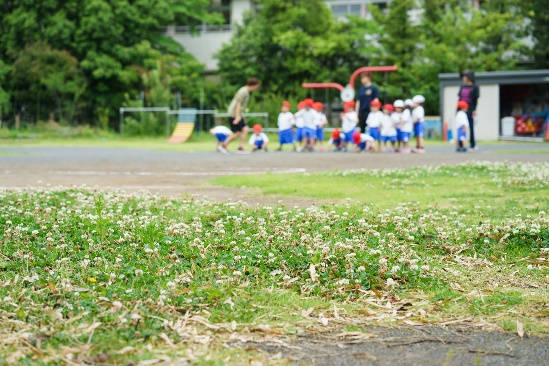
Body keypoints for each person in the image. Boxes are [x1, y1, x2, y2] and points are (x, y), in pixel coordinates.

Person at [224, 77, 260, 151]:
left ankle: (239, 146)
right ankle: (225, 145)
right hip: (233, 114)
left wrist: (241, 115)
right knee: (239, 132)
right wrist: (237, 116)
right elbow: (238, 104)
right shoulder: (244, 91)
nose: (257, 88)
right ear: (253, 85)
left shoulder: (245, 91)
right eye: (256, 86)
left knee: (243, 130)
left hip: (236, 114)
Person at [458, 69, 480, 151]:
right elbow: (459, 99)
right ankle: (461, 145)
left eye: (465, 76)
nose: (463, 78)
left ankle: (472, 145)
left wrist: (474, 110)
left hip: (470, 109)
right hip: (461, 110)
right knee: (460, 127)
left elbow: (475, 100)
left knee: (471, 127)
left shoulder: (475, 87)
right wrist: (457, 111)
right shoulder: (462, 87)